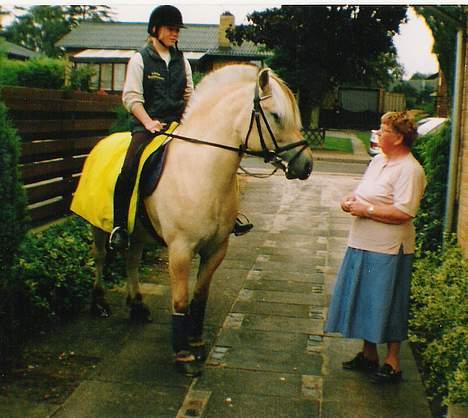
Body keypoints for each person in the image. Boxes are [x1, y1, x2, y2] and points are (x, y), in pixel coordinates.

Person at [109, 5, 252, 251]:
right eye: (171, 29)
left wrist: (195, 122)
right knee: (130, 165)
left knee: (216, 161)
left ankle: (228, 217)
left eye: (177, 30)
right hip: (148, 125)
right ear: (155, 29)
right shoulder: (140, 59)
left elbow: (189, 95)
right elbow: (132, 98)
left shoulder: (181, 60)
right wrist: (148, 122)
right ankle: (120, 226)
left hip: (177, 124)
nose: (175, 34)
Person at [324, 111, 426, 384]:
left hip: (390, 249)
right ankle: (369, 355)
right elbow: (365, 192)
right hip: (361, 242)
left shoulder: (410, 169)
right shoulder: (379, 161)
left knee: (389, 303)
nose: (378, 134)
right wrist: (350, 199)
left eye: (383, 130)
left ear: (399, 138)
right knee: (365, 300)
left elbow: (405, 212)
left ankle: (393, 362)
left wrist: (366, 209)